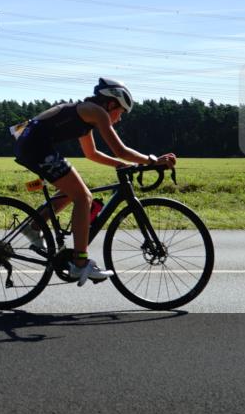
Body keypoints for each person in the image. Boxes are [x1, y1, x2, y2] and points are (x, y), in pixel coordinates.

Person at [12, 78, 176, 286]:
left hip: (31, 145)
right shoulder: (95, 112)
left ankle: (34, 226)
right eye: (121, 112)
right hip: (36, 147)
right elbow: (120, 149)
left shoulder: (86, 114)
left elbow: (92, 153)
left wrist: (119, 165)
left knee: (77, 192)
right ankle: (80, 263)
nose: (119, 118)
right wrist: (152, 160)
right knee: (83, 197)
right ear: (111, 104)